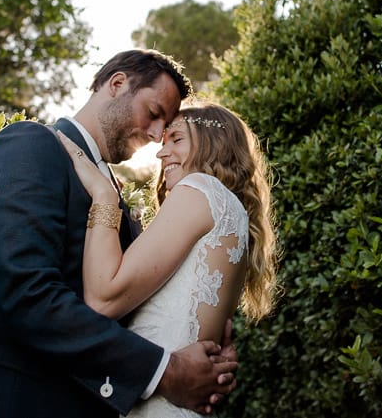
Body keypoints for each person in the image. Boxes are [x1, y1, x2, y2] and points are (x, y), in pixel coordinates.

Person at [0, 50, 238, 418]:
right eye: (154, 114)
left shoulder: (111, 190)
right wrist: (164, 371)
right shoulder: (31, 144)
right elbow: (25, 295)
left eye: (167, 126)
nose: (157, 137)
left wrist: (208, 347)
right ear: (117, 84)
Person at [56, 100, 279, 418]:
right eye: (164, 143)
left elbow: (103, 297)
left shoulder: (199, 189)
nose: (161, 154)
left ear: (212, 144)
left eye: (177, 139)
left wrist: (104, 196)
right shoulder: (234, 214)